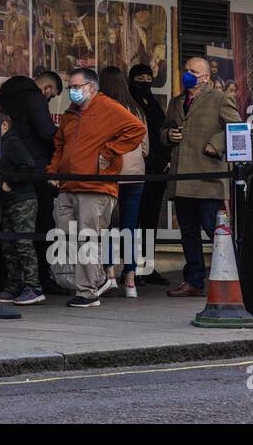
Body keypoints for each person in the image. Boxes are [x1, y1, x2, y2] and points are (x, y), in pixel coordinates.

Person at [47, 67, 145, 308]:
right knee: (68, 235)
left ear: (91, 87)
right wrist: (54, 170)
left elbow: (137, 129)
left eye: (75, 86)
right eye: (70, 87)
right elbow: (60, 144)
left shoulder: (108, 107)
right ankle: (97, 279)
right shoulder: (71, 114)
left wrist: (109, 151)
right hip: (69, 184)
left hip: (96, 186)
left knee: (87, 237)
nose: (71, 91)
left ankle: (88, 291)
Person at [162, 57, 239, 298]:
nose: (188, 75)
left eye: (193, 72)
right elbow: (164, 129)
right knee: (188, 232)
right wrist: (168, 135)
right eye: (186, 70)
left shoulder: (219, 98)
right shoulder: (176, 102)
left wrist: (215, 144)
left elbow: (236, 129)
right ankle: (193, 280)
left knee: (214, 230)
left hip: (208, 178)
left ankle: (235, 275)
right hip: (182, 177)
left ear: (205, 77)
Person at [0, 70, 63, 294]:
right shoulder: (35, 98)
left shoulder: (2, 98)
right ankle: (39, 280)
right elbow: (46, 132)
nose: (49, 98)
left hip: (7, 171)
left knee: (8, 231)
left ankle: (10, 282)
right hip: (34, 171)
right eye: (51, 95)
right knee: (41, 226)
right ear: (48, 89)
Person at [98, 67, 149, 298]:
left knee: (108, 226)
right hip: (136, 173)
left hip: (109, 173)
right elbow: (146, 147)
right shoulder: (136, 110)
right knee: (130, 226)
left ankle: (109, 274)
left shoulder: (102, 109)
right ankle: (130, 278)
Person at [0, 107, 44, 305]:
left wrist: (10, 182)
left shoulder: (12, 142)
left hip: (22, 200)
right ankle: (15, 285)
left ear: (4, 125)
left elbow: (28, 165)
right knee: (9, 245)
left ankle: (33, 286)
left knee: (23, 244)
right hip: (9, 201)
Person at [128, 63, 170, 285]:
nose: (145, 82)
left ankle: (147, 266)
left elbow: (162, 133)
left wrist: (165, 160)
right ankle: (132, 267)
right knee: (133, 220)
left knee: (150, 221)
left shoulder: (154, 105)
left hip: (156, 171)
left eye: (148, 77)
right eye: (140, 78)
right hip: (138, 170)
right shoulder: (130, 105)